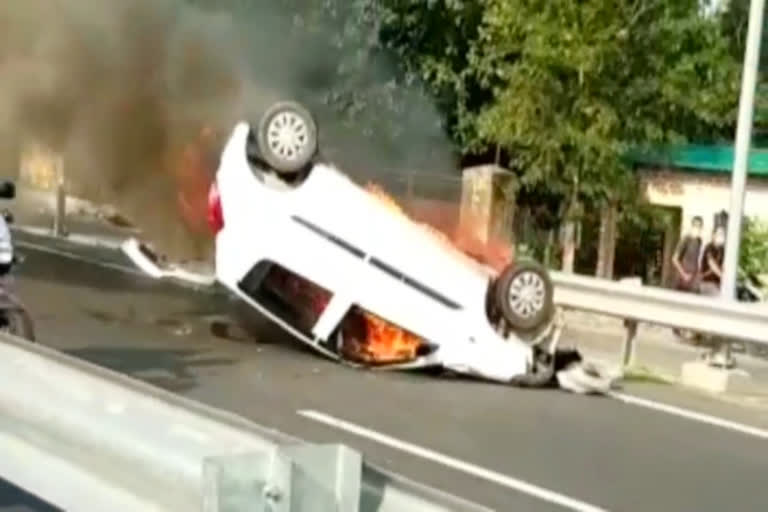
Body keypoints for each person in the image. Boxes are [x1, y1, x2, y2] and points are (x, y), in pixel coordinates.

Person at [671, 216, 703, 293]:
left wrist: (698, 274)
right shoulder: (685, 240)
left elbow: (696, 259)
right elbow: (674, 259)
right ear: (692, 226)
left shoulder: (699, 241)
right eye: (695, 225)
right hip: (682, 279)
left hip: (693, 280)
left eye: (699, 226)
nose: (697, 228)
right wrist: (684, 274)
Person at [699, 225, 726, 296]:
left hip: (717, 284)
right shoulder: (709, 247)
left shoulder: (722, 250)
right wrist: (723, 276)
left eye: (723, 234)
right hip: (708, 283)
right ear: (713, 235)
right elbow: (712, 264)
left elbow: (723, 266)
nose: (721, 236)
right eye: (719, 234)